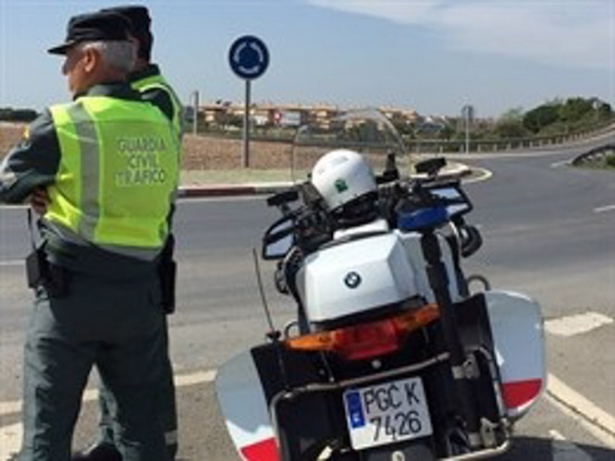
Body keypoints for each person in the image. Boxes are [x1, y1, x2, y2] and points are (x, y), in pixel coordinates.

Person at [0, 10, 180, 461]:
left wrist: (40, 187)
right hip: (141, 298)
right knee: (140, 433)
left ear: (90, 60)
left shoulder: (64, 122)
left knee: (46, 435)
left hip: (71, 302)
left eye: (69, 58)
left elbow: (7, 182)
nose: (63, 71)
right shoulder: (162, 120)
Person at [73, 5, 183, 461]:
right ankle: (113, 442)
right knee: (117, 358)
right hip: (119, 250)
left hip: (142, 250)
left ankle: (156, 444)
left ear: (131, 47)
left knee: (142, 366)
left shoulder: (150, 98)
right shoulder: (132, 93)